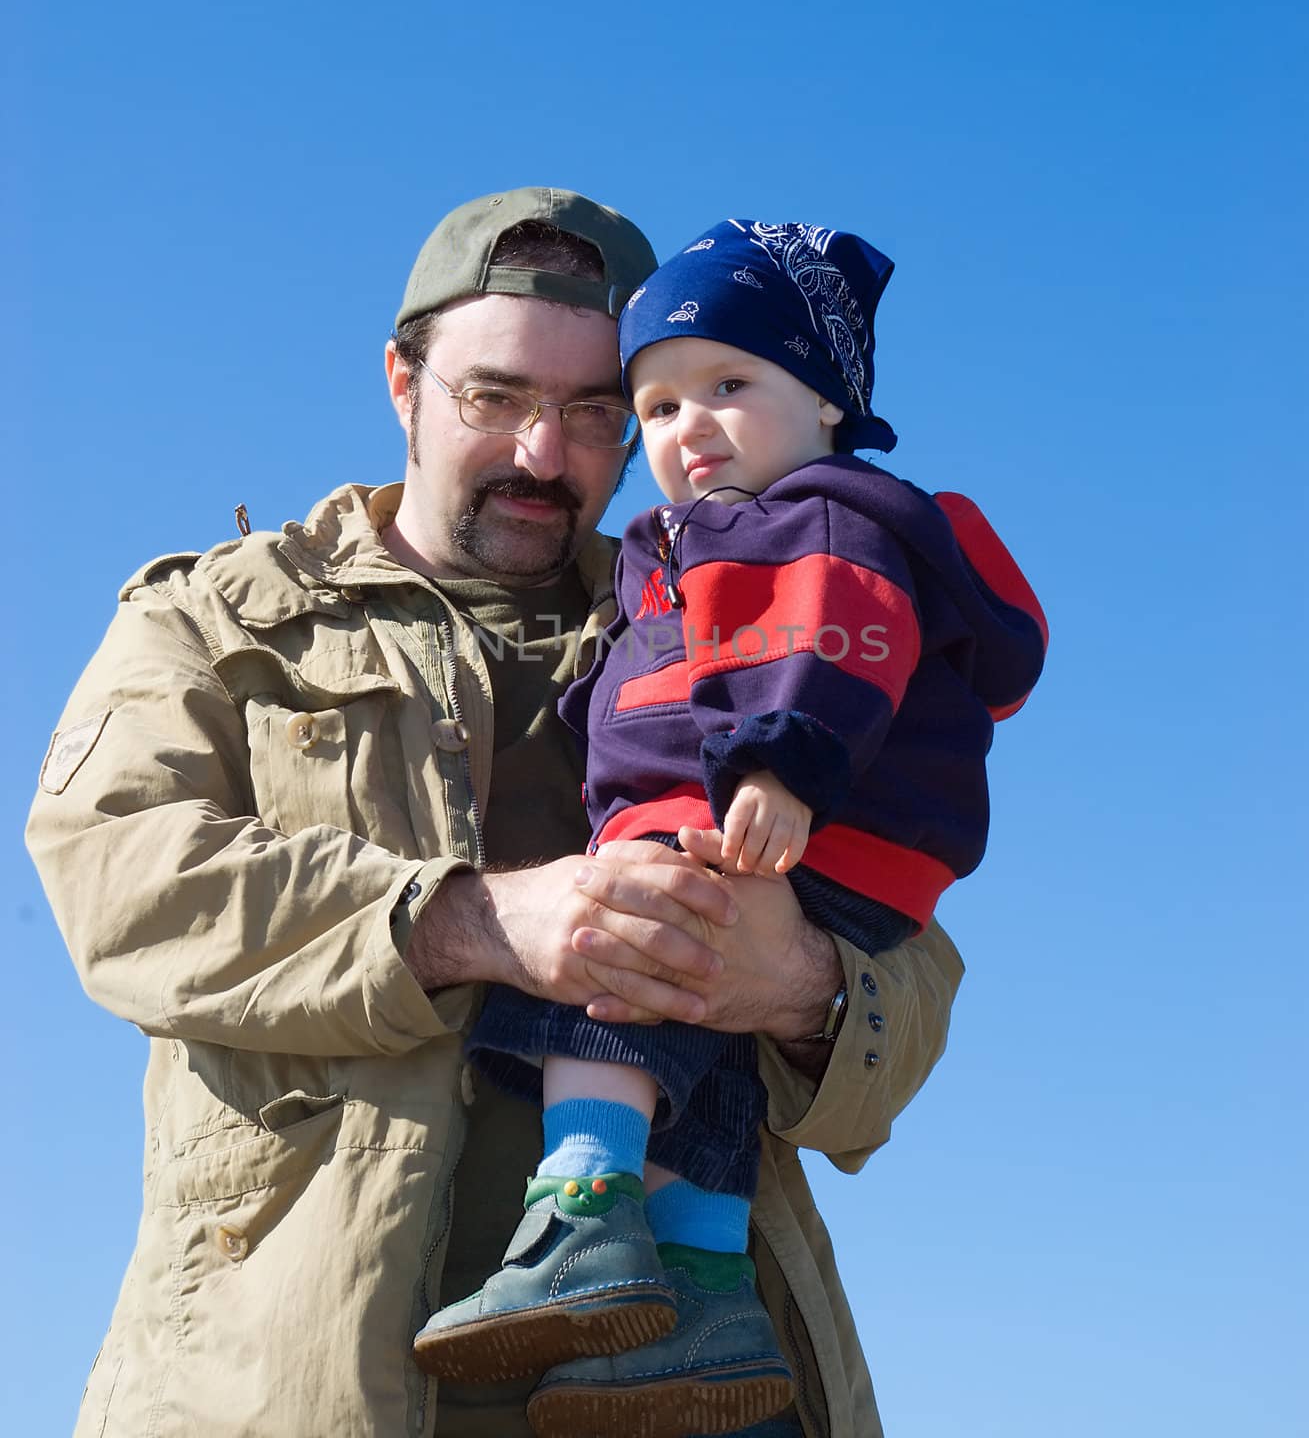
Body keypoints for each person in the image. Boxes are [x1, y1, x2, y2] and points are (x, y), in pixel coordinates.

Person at [27, 188, 965, 1438]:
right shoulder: (212, 622)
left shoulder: (757, 616)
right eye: (497, 397)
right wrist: (474, 922)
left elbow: (911, 985)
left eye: (592, 414)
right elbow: (120, 881)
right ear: (402, 382)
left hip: (704, 1386)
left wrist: (794, 982)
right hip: (289, 1388)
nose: (543, 453)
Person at [414, 219, 1047, 1437]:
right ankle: (703, 1290)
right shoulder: (700, 543)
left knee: (603, 951)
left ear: (825, 399)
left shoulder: (809, 517)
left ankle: (586, 1205)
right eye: (652, 407)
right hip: (819, 848)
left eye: (726, 385)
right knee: (697, 1052)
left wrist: (783, 772)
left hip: (767, 822)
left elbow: (825, 643)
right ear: (407, 381)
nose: (684, 427)